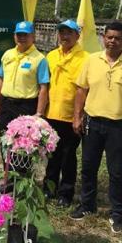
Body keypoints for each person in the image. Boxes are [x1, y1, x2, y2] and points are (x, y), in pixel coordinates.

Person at [70, 21, 122, 233]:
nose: (113, 41)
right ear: (103, 38)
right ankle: (87, 205)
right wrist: (77, 117)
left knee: (117, 172)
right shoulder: (92, 60)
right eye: (109, 37)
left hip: (118, 126)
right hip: (92, 122)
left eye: (117, 38)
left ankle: (117, 213)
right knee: (89, 167)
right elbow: (81, 90)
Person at [0, 21, 49, 174]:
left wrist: (39, 114)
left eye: (25, 35)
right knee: (6, 143)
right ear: (14, 36)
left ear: (33, 37)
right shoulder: (7, 55)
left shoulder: (39, 59)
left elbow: (44, 87)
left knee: (24, 146)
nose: (22, 38)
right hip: (6, 104)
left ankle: (21, 180)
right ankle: (8, 179)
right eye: (19, 34)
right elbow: (1, 79)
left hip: (26, 106)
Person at [43, 20, 88, 207]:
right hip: (51, 113)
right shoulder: (51, 55)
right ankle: (49, 189)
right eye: (62, 32)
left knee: (68, 156)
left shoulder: (85, 58)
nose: (65, 36)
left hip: (71, 115)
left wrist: (79, 115)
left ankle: (66, 193)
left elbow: (85, 89)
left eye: (69, 32)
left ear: (77, 35)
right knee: (52, 154)